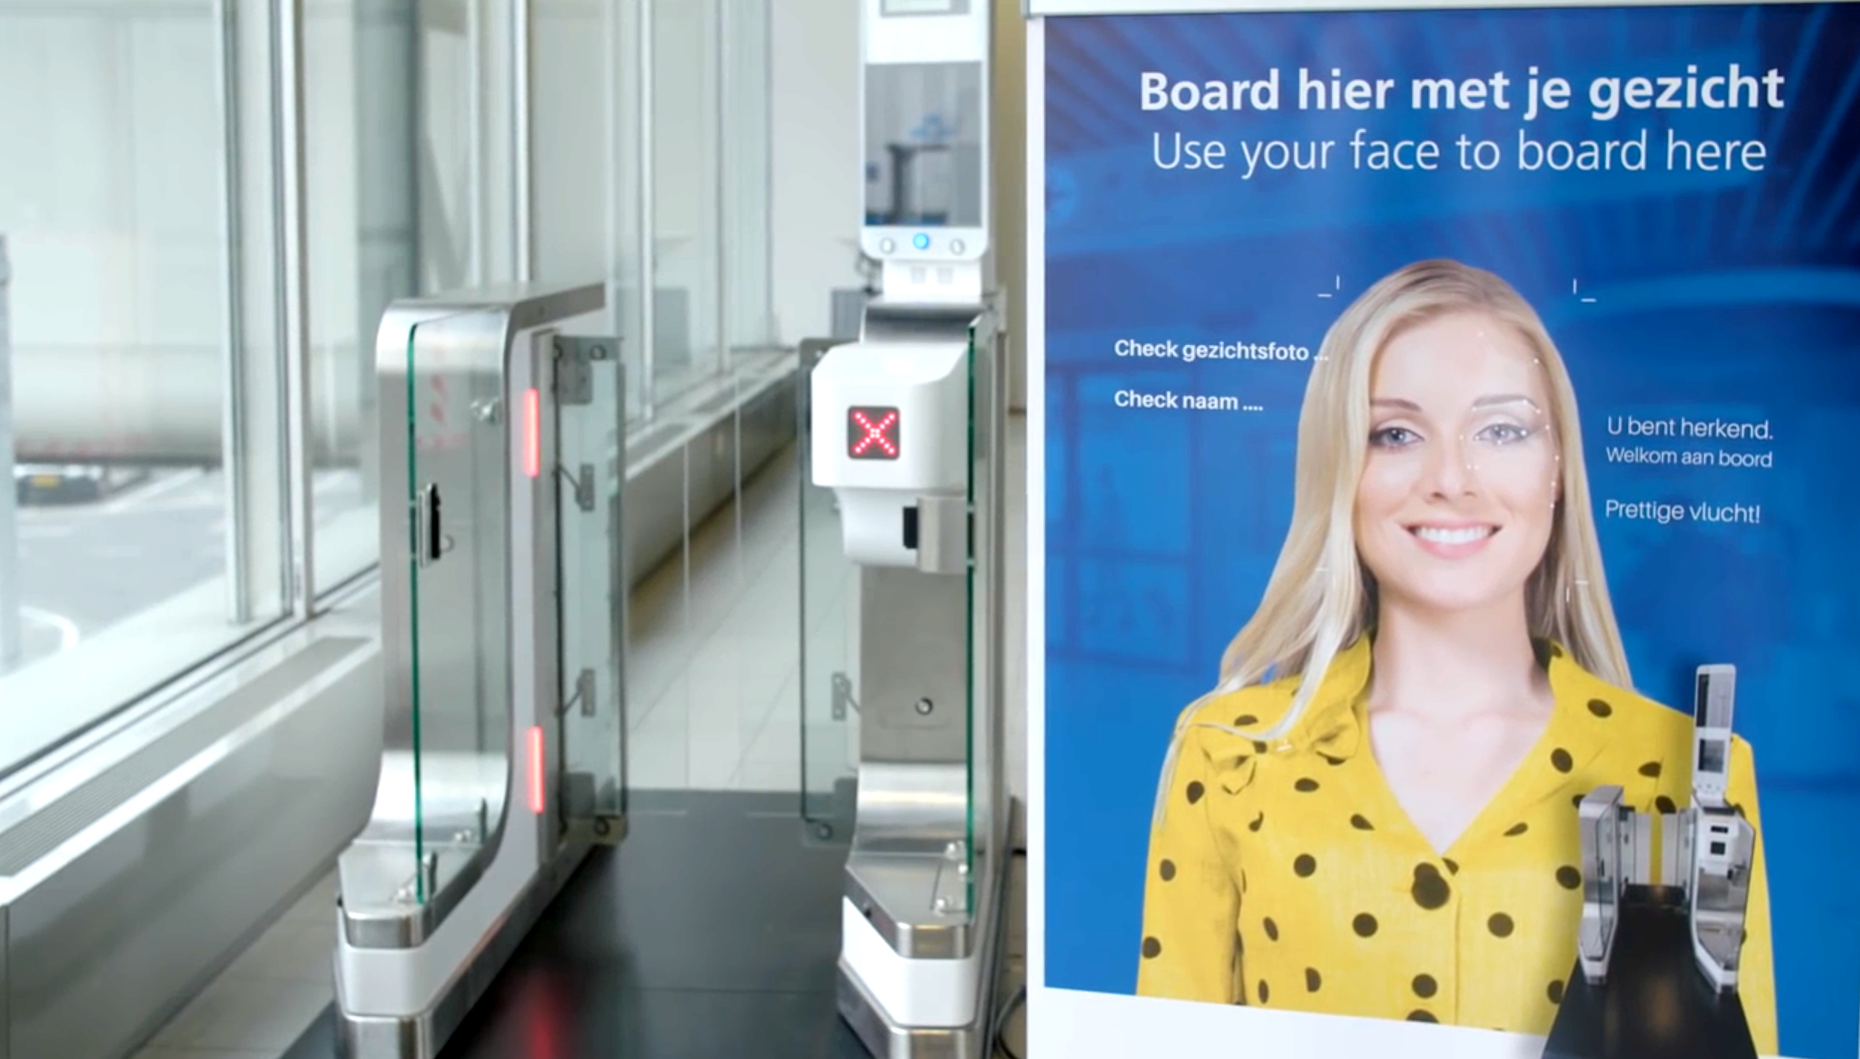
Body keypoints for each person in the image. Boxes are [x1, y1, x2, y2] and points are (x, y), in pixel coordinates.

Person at [1134, 259, 1777, 1050]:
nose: (1450, 479)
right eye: (1396, 433)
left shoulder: (1686, 770)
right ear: (1343, 468)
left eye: (1501, 429)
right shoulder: (1227, 753)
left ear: (1556, 469)